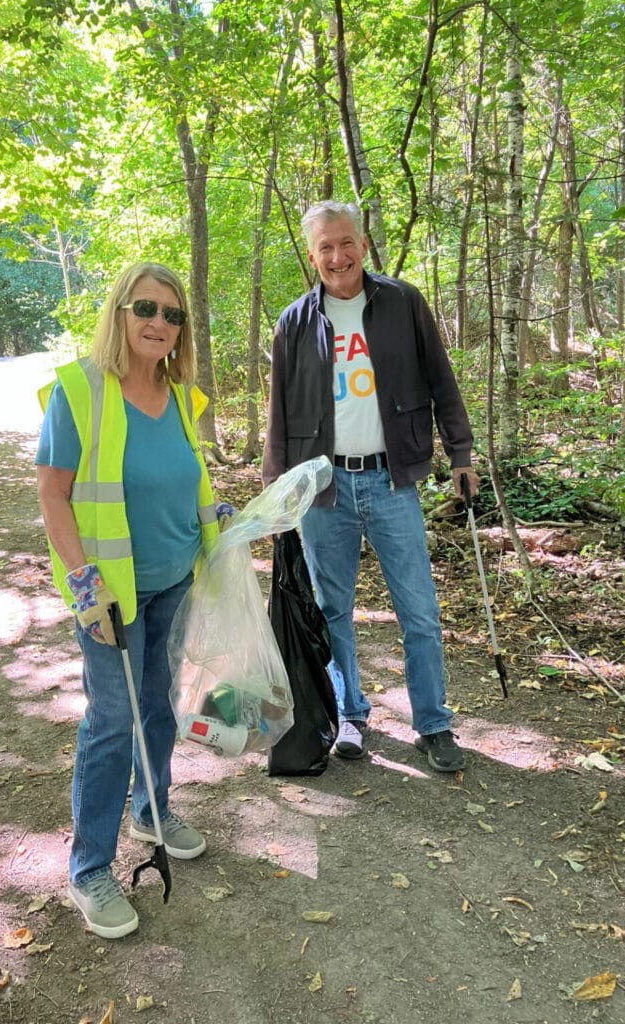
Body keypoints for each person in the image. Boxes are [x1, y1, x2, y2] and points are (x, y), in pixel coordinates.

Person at [36, 262, 229, 939]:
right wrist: (86, 588)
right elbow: (54, 496)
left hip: (176, 579)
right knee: (112, 722)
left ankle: (152, 808)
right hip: (109, 595)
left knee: (159, 706)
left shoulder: (182, 396)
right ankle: (89, 866)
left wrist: (223, 524)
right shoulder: (79, 390)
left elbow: (186, 483)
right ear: (120, 312)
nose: (159, 323)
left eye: (173, 315)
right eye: (146, 308)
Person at [262, 201, 479, 772]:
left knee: (420, 612)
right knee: (332, 610)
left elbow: (440, 378)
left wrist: (462, 451)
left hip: (390, 479)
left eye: (346, 242)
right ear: (313, 256)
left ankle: (433, 724)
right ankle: (351, 715)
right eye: (325, 247)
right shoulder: (294, 322)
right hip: (323, 488)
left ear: (363, 244)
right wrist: (276, 490)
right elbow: (279, 415)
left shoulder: (402, 303)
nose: (338, 256)